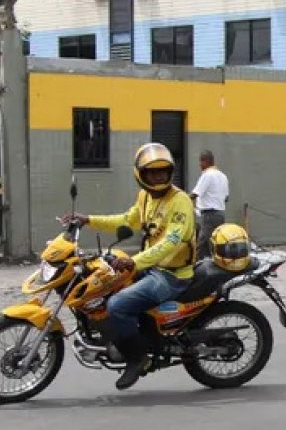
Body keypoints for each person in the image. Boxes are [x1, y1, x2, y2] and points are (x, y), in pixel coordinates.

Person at [60, 142, 197, 390]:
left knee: (117, 305)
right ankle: (131, 336)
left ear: (170, 172)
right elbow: (127, 220)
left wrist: (134, 262)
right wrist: (88, 220)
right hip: (152, 266)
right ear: (140, 175)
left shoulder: (181, 201)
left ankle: (137, 359)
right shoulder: (145, 197)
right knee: (103, 283)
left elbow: (171, 243)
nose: (158, 177)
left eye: (162, 172)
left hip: (172, 275)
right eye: (152, 173)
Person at [191, 150, 230, 259]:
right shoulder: (223, 176)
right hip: (220, 215)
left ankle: (196, 270)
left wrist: (181, 200)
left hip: (209, 216)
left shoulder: (207, 175)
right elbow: (226, 198)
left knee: (202, 244)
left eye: (201, 161)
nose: (199, 165)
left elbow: (195, 194)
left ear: (206, 161)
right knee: (217, 243)